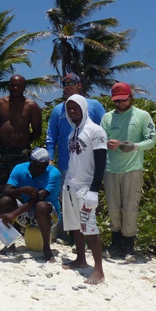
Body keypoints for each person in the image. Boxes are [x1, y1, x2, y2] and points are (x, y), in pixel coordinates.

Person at [100, 82, 156, 262]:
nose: (120, 104)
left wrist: (135, 147)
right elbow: (100, 140)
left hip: (133, 169)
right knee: (113, 208)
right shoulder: (107, 117)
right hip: (111, 170)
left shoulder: (142, 115)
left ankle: (129, 247)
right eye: (116, 101)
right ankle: (115, 245)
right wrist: (107, 143)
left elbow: (152, 140)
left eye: (123, 100)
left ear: (131, 97)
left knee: (130, 208)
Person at [61, 95, 107, 285]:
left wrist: (95, 190)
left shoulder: (95, 131)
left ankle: (99, 270)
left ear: (83, 108)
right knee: (75, 225)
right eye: (69, 108)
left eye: (75, 107)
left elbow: (101, 162)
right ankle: (80, 259)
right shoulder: (72, 132)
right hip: (71, 185)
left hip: (86, 187)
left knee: (90, 228)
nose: (72, 111)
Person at [0, 147, 61, 262]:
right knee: (4, 200)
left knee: (41, 205)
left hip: (49, 215)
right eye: (37, 166)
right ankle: (9, 244)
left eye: (43, 167)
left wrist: (12, 215)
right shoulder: (20, 169)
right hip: (27, 213)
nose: (40, 170)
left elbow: (38, 198)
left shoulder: (53, 173)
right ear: (31, 162)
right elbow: (7, 190)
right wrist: (21, 190)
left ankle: (46, 248)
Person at [0, 75, 43, 207]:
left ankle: (18, 223)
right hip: (1, 152)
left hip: (21, 153)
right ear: (8, 86)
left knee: (22, 188)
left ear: (24, 87)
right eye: (12, 85)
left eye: (18, 85)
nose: (15, 88)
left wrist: (22, 142)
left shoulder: (31, 106)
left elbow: (37, 131)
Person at [45, 73, 106, 184]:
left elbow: (106, 129)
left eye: (72, 83)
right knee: (66, 199)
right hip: (65, 165)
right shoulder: (57, 110)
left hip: (88, 164)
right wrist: (50, 158)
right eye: (65, 84)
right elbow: (51, 137)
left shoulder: (94, 105)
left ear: (79, 85)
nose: (68, 86)